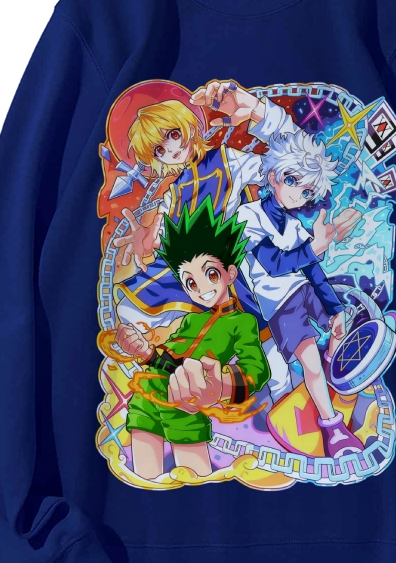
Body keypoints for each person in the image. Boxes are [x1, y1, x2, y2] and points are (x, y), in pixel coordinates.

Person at [111, 80, 299, 400]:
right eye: (159, 150)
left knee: (261, 337)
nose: (171, 148)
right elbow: (164, 234)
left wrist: (260, 113)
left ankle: (283, 396)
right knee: (132, 308)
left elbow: (284, 164)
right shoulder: (173, 192)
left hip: (224, 269)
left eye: (173, 134)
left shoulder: (227, 161)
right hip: (186, 273)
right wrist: (149, 237)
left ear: (186, 124)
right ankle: (168, 373)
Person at [112, 196, 271, 480]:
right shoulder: (190, 319)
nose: (202, 288)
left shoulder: (241, 321)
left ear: (230, 273)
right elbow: (167, 360)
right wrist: (144, 349)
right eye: (190, 282)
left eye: (211, 274)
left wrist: (222, 384)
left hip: (184, 403)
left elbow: (257, 370)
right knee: (144, 480)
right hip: (147, 395)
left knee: (196, 478)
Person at [236, 130, 364, 457]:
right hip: (280, 305)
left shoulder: (294, 227)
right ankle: (332, 428)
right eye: (293, 181)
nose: (299, 194)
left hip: (304, 291)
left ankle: (332, 379)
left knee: (341, 329)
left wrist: (335, 309)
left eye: (307, 191)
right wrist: (314, 248)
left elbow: (313, 272)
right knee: (311, 362)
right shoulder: (248, 215)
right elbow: (275, 264)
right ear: (273, 177)